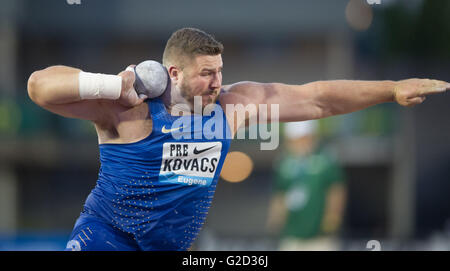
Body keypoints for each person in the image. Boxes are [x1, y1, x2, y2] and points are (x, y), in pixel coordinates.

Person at [27, 27, 449, 251]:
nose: (217, 82)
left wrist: (391, 88)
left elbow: (317, 100)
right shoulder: (127, 109)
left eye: (220, 70)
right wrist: (108, 84)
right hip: (107, 237)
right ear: (173, 73)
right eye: (206, 73)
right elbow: (38, 87)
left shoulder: (232, 108)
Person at [267, 120, 346, 251]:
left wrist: (332, 218)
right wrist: (275, 219)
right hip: (292, 234)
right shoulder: (284, 163)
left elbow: (336, 190)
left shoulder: (326, 160)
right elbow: (280, 194)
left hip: (319, 236)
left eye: (302, 139)